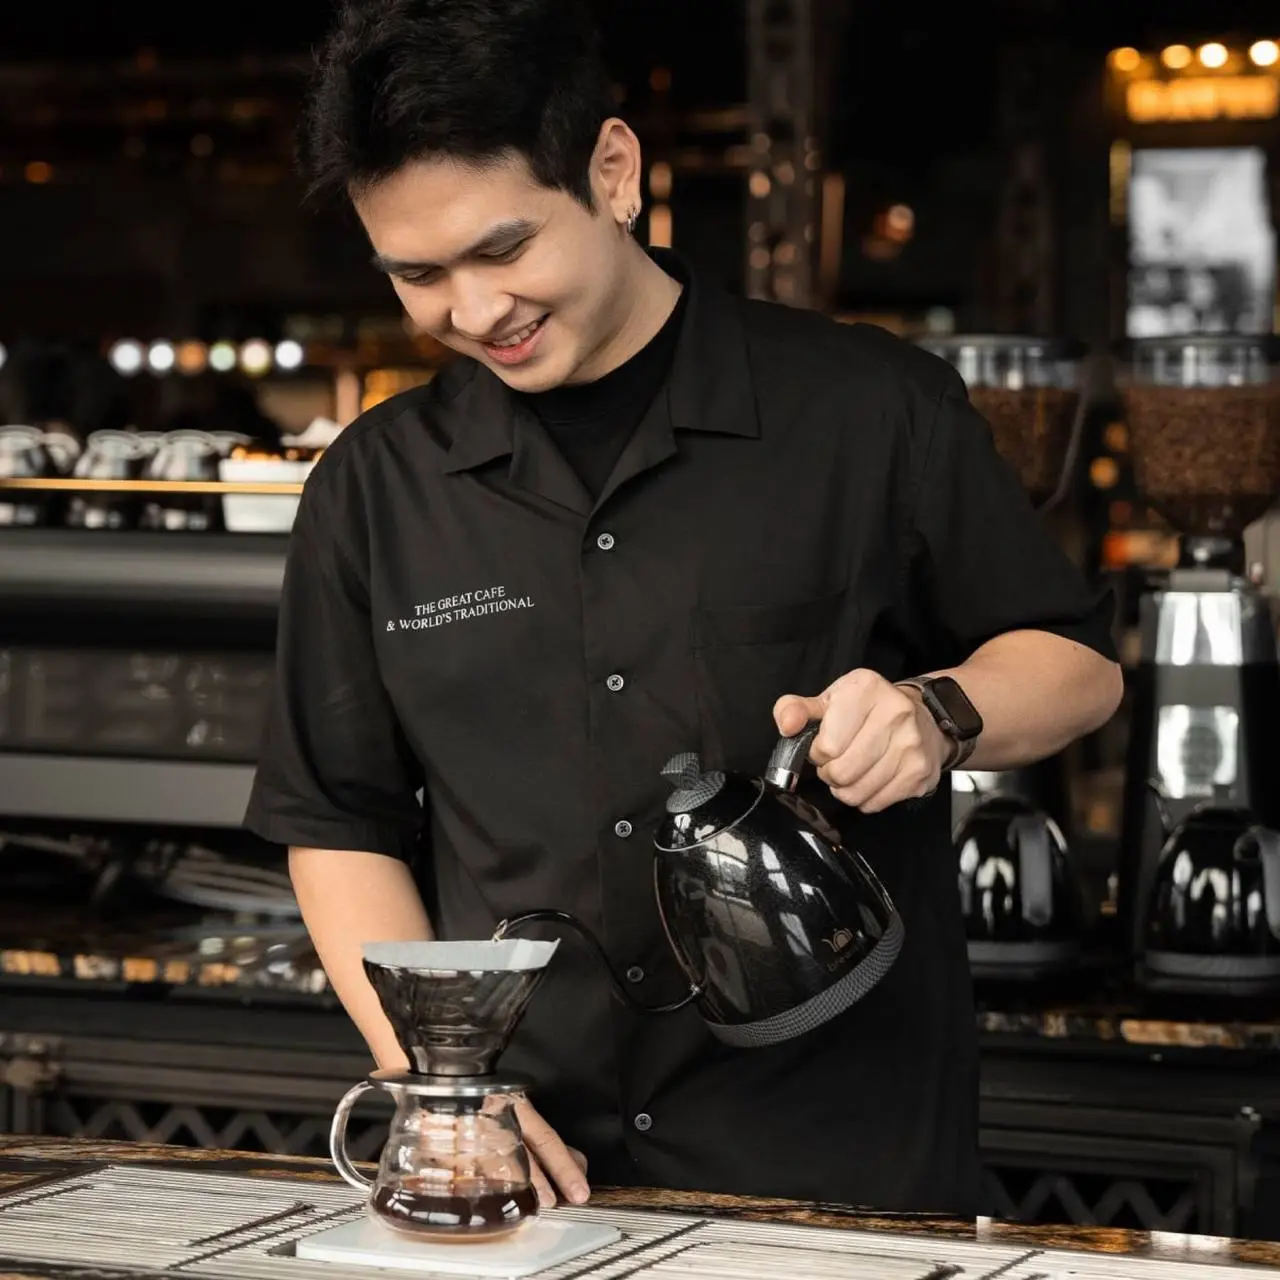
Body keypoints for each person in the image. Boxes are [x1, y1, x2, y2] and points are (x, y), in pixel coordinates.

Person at [245, 0, 1122, 1216]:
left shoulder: (869, 409)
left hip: (836, 1166)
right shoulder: (373, 486)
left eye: (503, 249)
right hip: (531, 1177)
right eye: (418, 274)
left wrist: (936, 711)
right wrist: (441, 1085)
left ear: (612, 172)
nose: (473, 310)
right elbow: (340, 822)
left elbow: (1076, 662)